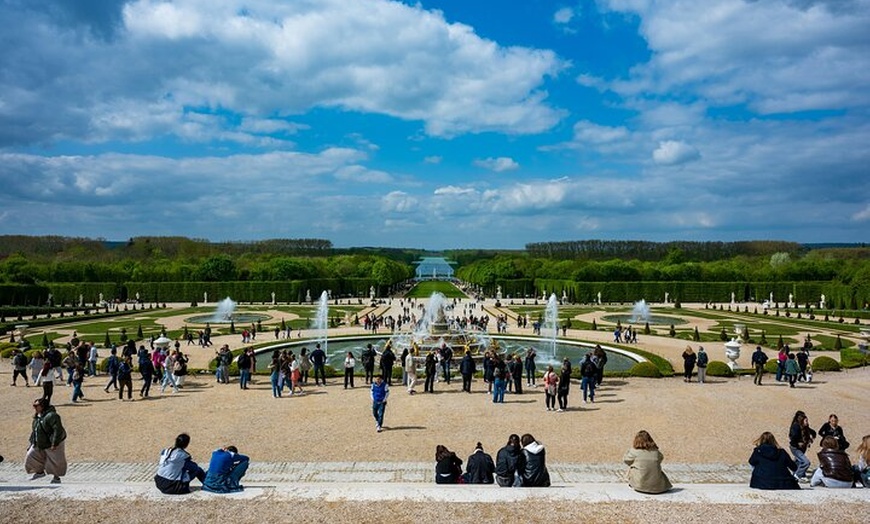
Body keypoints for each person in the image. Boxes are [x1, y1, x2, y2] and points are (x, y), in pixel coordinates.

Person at [25, 397, 67, 484]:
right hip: (39, 442)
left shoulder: (52, 416)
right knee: (31, 456)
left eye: (36, 405)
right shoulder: (37, 417)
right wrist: (32, 442)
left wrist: (54, 443)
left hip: (52, 442)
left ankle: (56, 477)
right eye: (34, 405)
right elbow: (35, 431)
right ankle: (39, 472)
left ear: (43, 406)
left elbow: (57, 430)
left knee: (55, 460)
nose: (34, 407)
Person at [623, 430, 672, 494]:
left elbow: (626, 460)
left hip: (640, 486)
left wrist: (628, 451)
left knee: (632, 467)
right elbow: (660, 459)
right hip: (658, 487)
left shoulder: (634, 451)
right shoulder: (656, 452)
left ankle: (632, 483)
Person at [788, 410, 816, 482]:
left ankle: (795, 475)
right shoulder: (796, 427)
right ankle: (797, 475)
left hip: (802, 448)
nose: (807, 422)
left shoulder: (806, 427)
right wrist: (798, 443)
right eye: (806, 420)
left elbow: (814, 432)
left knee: (798, 462)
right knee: (806, 462)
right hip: (795, 448)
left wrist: (810, 439)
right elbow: (792, 438)